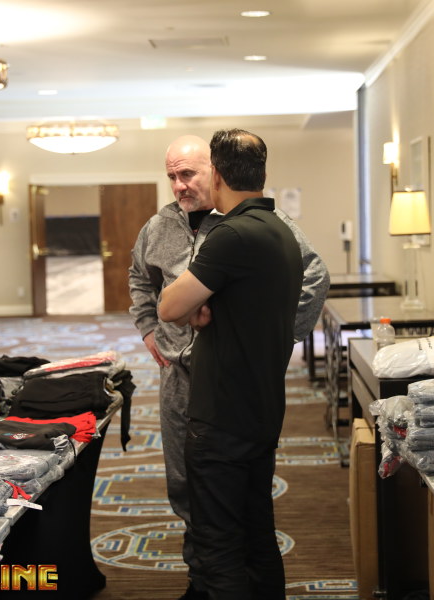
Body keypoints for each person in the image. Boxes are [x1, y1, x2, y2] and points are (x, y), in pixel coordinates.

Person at [129, 133, 328, 599]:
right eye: (171, 177)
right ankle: (200, 579)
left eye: (188, 174)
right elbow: (141, 279)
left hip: (232, 383)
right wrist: (149, 330)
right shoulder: (158, 227)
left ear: (214, 171)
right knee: (187, 486)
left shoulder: (249, 225)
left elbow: (313, 277)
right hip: (181, 378)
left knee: (231, 496)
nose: (179, 185)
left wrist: (274, 339)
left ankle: (221, 577)